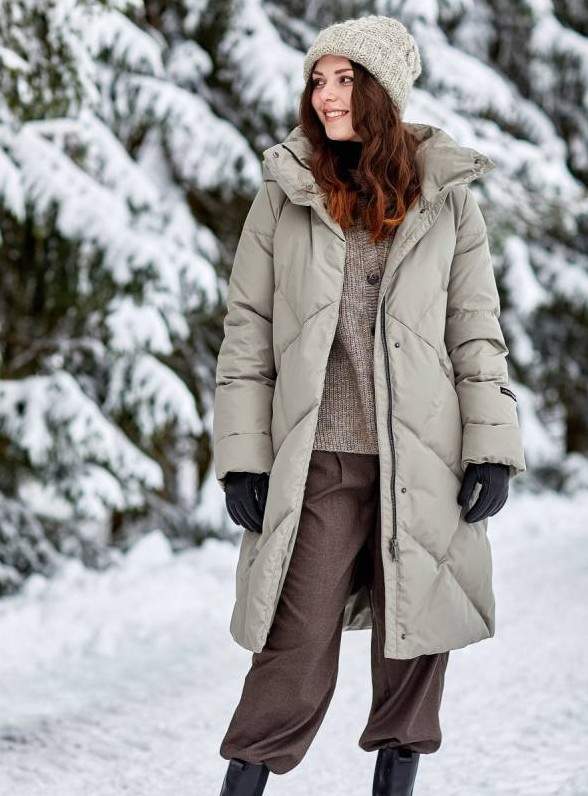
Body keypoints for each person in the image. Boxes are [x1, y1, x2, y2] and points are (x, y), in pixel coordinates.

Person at [213, 14, 526, 796]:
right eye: (318, 80)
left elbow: (475, 332)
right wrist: (243, 459)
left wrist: (491, 447)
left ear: (383, 91)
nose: (325, 96)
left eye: (344, 80)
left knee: (414, 645)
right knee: (292, 647)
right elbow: (247, 334)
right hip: (319, 458)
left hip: (424, 456)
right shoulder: (286, 191)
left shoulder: (447, 197)